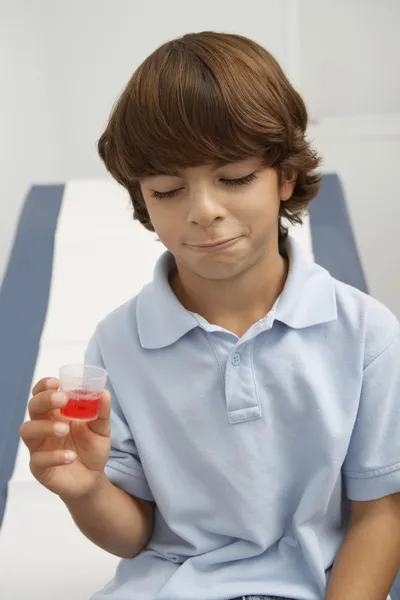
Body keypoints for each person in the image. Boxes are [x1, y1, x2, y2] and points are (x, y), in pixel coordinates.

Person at [19, 31, 400, 600]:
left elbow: (380, 515)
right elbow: (134, 535)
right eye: (169, 190)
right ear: (142, 199)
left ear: (285, 176)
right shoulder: (119, 342)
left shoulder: (365, 334)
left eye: (235, 179)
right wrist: (83, 488)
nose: (204, 212)